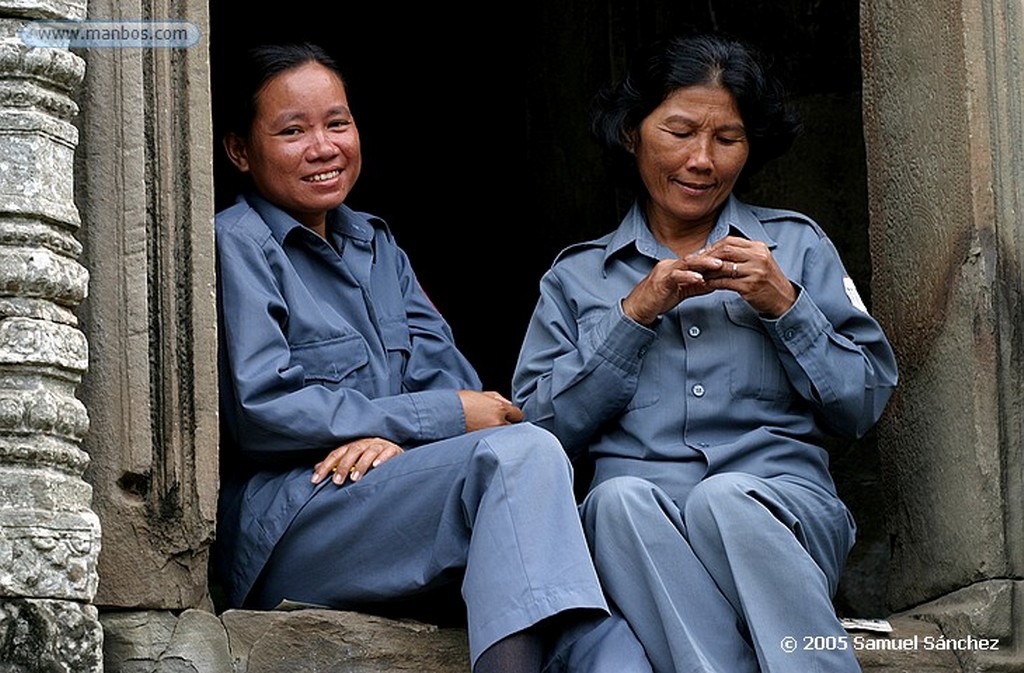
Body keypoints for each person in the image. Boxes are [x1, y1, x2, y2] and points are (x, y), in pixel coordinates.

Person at [211, 42, 639, 673]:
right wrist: (407, 424)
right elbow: (263, 409)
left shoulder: (377, 246)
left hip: (400, 503)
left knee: (603, 616)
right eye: (292, 131)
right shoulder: (237, 243)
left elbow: (464, 396)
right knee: (525, 458)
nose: (324, 146)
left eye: (338, 122)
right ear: (240, 150)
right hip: (296, 522)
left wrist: (397, 437)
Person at [512, 32, 898, 673]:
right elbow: (535, 435)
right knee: (615, 499)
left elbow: (863, 406)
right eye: (681, 132)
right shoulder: (575, 277)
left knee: (725, 500)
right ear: (632, 133)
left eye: (728, 138)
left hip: (783, 520)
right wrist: (632, 316)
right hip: (639, 545)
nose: (702, 160)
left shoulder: (797, 248)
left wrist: (785, 303)